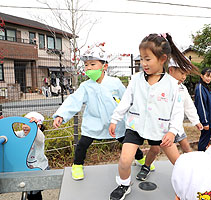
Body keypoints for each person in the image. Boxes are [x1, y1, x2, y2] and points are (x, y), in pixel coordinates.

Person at [108, 33, 199, 200]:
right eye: (142, 59)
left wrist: (172, 132)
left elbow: (178, 111)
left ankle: (189, 187)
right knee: (125, 160)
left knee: (179, 163)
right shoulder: (135, 79)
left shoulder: (173, 84)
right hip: (135, 126)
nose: (143, 63)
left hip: (161, 129)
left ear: (162, 58)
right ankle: (124, 184)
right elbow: (125, 102)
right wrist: (115, 119)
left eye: (147, 59)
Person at [53, 45, 144, 181]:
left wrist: (134, 115)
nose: (88, 68)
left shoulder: (115, 82)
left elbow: (127, 99)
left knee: (127, 141)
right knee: (83, 144)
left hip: (115, 121)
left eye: (93, 64)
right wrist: (61, 115)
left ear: (104, 67)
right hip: (94, 121)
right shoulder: (85, 86)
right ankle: (77, 165)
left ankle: (141, 159)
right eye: (86, 65)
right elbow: (73, 100)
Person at [134, 58, 203, 181]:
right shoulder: (158, 85)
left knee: (186, 147)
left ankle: (194, 170)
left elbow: (189, 106)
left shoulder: (182, 88)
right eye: (182, 73)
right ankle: (146, 167)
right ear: (171, 70)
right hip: (161, 127)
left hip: (176, 127)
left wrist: (196, 121)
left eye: (186, 74)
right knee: (155, 149)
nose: (184, 77)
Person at [15, 112, 48, 200]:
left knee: (34, 193)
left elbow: (39, 137)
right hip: (25, 167)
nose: (25, 126)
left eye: (29, 124)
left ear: (39, 127)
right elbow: (11, 135)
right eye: (24, 123)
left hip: (38, 166)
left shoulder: (38, 136)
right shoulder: (21, 134)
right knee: (27, 189)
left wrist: (35, 127)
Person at [194, 68, 211, 151]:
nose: (209, 78)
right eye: (207, 76)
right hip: (206, 120)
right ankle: (200, 157)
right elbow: (201, 106)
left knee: (206, 139)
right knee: (204, 141)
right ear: (201, 76)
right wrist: (205, 122)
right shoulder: (200, 88)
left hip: (209, 119)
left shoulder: (205, 87)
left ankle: (202, 156)